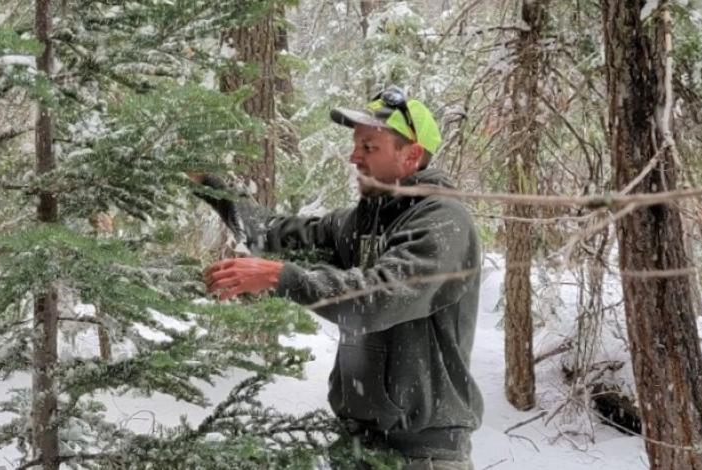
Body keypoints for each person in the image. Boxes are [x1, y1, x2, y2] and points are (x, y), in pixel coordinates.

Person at [192, 88, 484, 469]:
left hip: (422, 453)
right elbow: (269, 232)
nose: (353, 157)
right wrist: (204, 181)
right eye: (355, 145)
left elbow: (378, 299)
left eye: (368, 147)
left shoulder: (443, 221)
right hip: (358, 446)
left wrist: (282, 278)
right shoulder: (359, 222)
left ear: (410, 155)